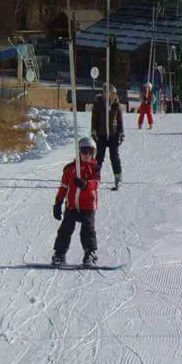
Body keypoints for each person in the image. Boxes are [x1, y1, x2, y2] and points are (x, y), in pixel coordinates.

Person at [52, 136, 100, 266]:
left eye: (91, 151)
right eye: (84, 151)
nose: (87, 154)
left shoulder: (94, 168)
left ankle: (90, 253)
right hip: (72, 205)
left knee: (88, 230)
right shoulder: (70, 169)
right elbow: (63, 187)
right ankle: (59, 254)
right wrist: (58, 202)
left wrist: (85, 185)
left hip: (88, 205)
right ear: (79, 152)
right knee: (65, 230)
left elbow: (95, 183)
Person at [91, 85, 124, 189]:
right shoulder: (98, 104)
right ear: (104, 93)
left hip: (113, 135)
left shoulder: (116, 105)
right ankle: (95, 178)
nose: (111, 96)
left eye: (113, 94)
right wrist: (93, 131)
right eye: (108, 93)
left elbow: (120, 121)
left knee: (114, 157)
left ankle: (118, 178)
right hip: (101, 134)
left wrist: (121, 133)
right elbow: (94, 119)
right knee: (99, 157)